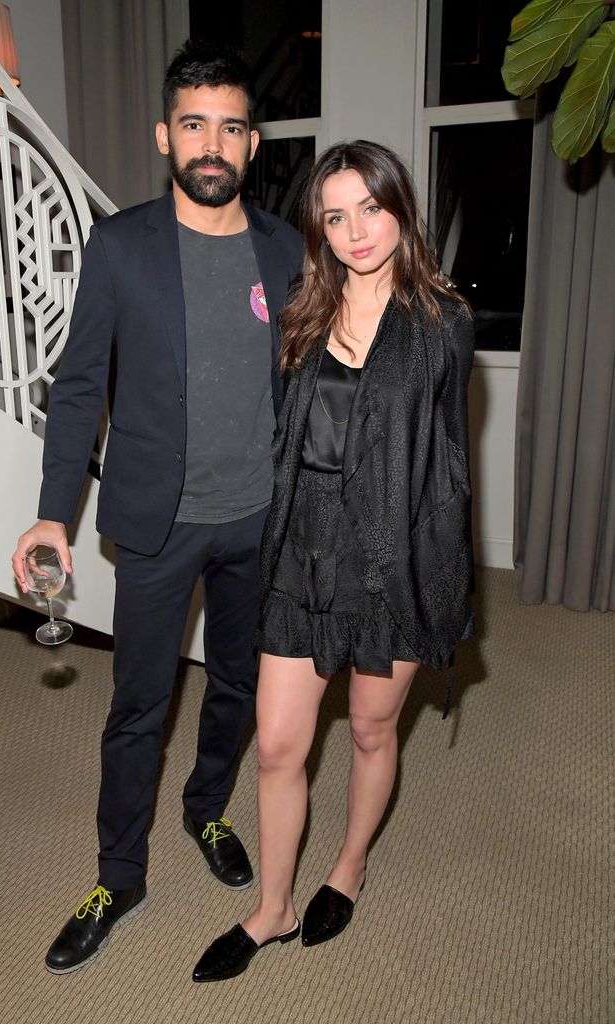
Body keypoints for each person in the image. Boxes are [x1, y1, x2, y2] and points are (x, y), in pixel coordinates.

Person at [11, 39, 302, 975]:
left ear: (252, 142)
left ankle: (206, 810)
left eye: (228, 126)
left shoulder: (285, 249)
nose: (211, 144)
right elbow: (80, 381)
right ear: (164, 137)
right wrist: (54, 511)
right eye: (193, 125)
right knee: (139, 703)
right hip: (155, 522)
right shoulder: (121, 244)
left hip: (258, 518)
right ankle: (119, 873)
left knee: (235, 685)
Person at [192, 140, 475, 982]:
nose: (356, 231)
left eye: (371, 209)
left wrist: (442, 585)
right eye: (336, 215)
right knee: (278, 745)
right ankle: (272, 907)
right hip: (304, 550)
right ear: (319, 225)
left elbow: (449, 465)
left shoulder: (442, 322)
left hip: (390, 554)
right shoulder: (300, 310)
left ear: (400, 209)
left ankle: (348, 865)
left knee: (371, 726)